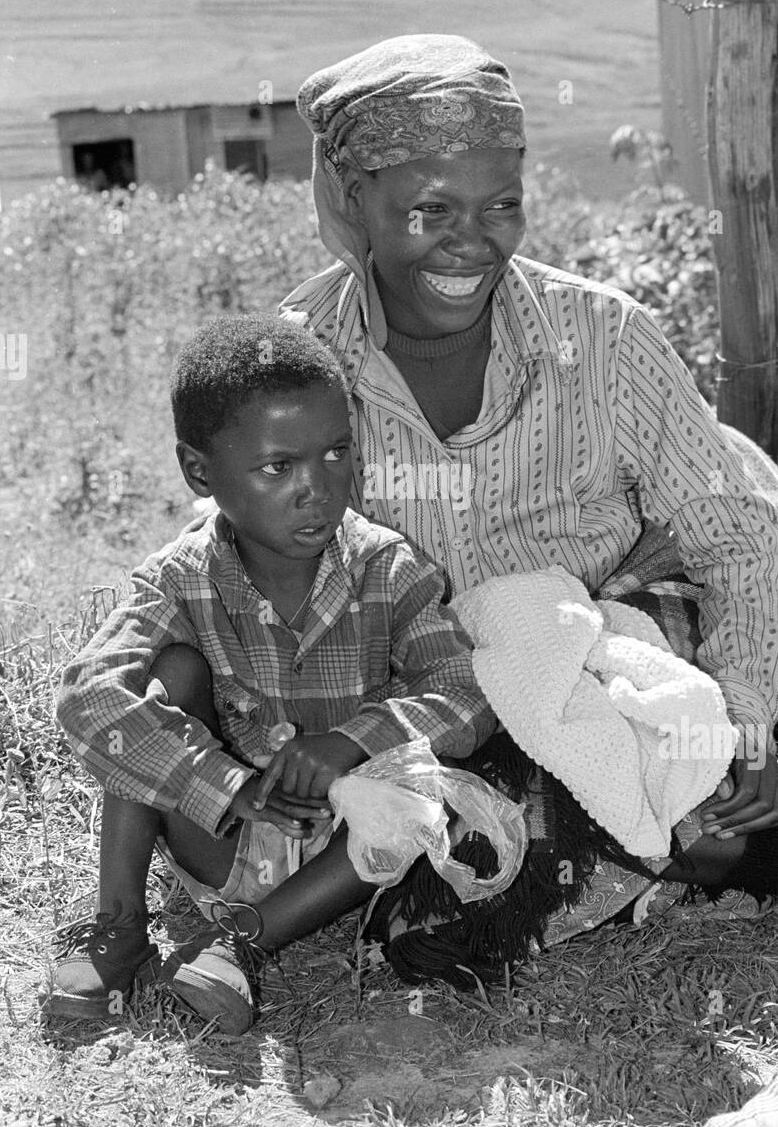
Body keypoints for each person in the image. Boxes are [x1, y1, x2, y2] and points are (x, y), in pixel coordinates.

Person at [274, 33, 778, 978]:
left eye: (503, 205)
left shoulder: (600, 335)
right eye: (429, 211)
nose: (473, 242)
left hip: (623, 614)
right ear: (351, 203)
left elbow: (737, 537)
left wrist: (735, 713)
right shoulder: (298, 367)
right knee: (444, 896)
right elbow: (243, 561)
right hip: (453, 685)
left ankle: (767, 741)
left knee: (683, 796)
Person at [42, 313, 497, 1033]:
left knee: (415, 791)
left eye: (336, 453)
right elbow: (85, 695)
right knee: (169, 675)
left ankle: (240, 945)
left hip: (344, 861)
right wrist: (231, 786)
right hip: (215, 841)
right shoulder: (180, 578)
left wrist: (353, 738)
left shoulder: (388, 567)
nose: (317, 488)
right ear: (200, 471)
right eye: (278, 467)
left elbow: (468, 693)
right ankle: (120, 925)